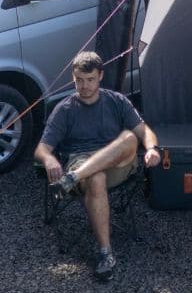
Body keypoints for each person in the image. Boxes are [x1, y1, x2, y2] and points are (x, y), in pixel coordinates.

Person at [34, 51, 161, 281]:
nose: (84, 86)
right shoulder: (64, 109)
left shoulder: (116, 101)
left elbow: (145, 132)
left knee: (130, 138)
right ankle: (106, 255)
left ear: (100, 76)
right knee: (96, 178)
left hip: (116, 164)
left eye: (90, 79)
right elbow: (41, 148)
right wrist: (49, 159)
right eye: (79, 80)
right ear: (73, 78)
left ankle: (71, 179)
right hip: (82, 163)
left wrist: (151, 149)